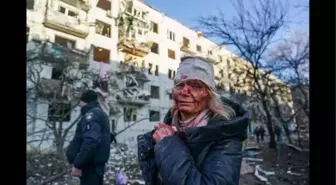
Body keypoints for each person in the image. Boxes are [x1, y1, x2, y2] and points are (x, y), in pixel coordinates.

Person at [137, 56, 249, 185]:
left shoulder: (226, 137)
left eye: (196, 86)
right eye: (179, 85)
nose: (185, 92)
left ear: (209, 94)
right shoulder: (167, 128)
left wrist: (167, 144)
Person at [66, 90, 111, 185]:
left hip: (90, 168)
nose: (79, 104)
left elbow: (91, 141)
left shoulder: (91, 115)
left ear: (84, 101)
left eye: (80, 101)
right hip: (92, 167)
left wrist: (78, 163)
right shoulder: (99, 113)